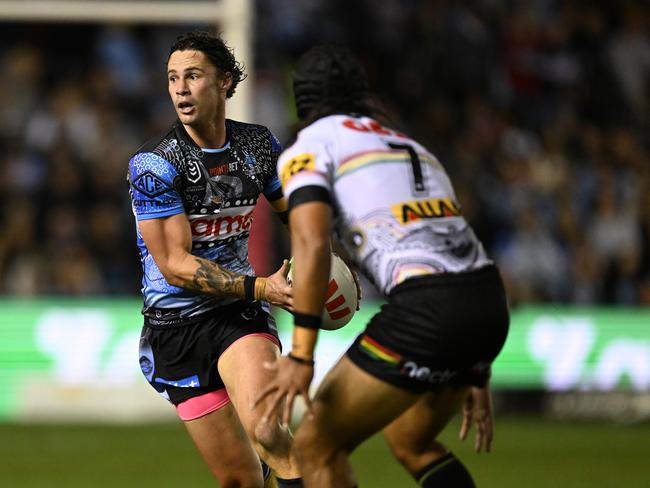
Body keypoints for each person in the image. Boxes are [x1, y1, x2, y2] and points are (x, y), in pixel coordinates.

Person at [254, 45, 510, 488]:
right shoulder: (411, 147)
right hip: (487, 302)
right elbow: (457, 242)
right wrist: (477, 365)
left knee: (316, 446)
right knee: (413, 441)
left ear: (302, 101)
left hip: (427, 309)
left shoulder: (308, 149)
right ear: (362, 94)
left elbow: (312, 244)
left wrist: (301, 354)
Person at [127, 31, 303, 488]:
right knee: (241, 480)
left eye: (193, 76)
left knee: (267, 430)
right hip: (175, 328)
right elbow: (175, 266)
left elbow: (299, 218)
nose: (181, 88)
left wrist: (325, 264)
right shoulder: (154, 164)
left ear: (224, 81)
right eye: (172, 78)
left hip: (237, 313)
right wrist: (263, 286)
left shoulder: (259, 145)